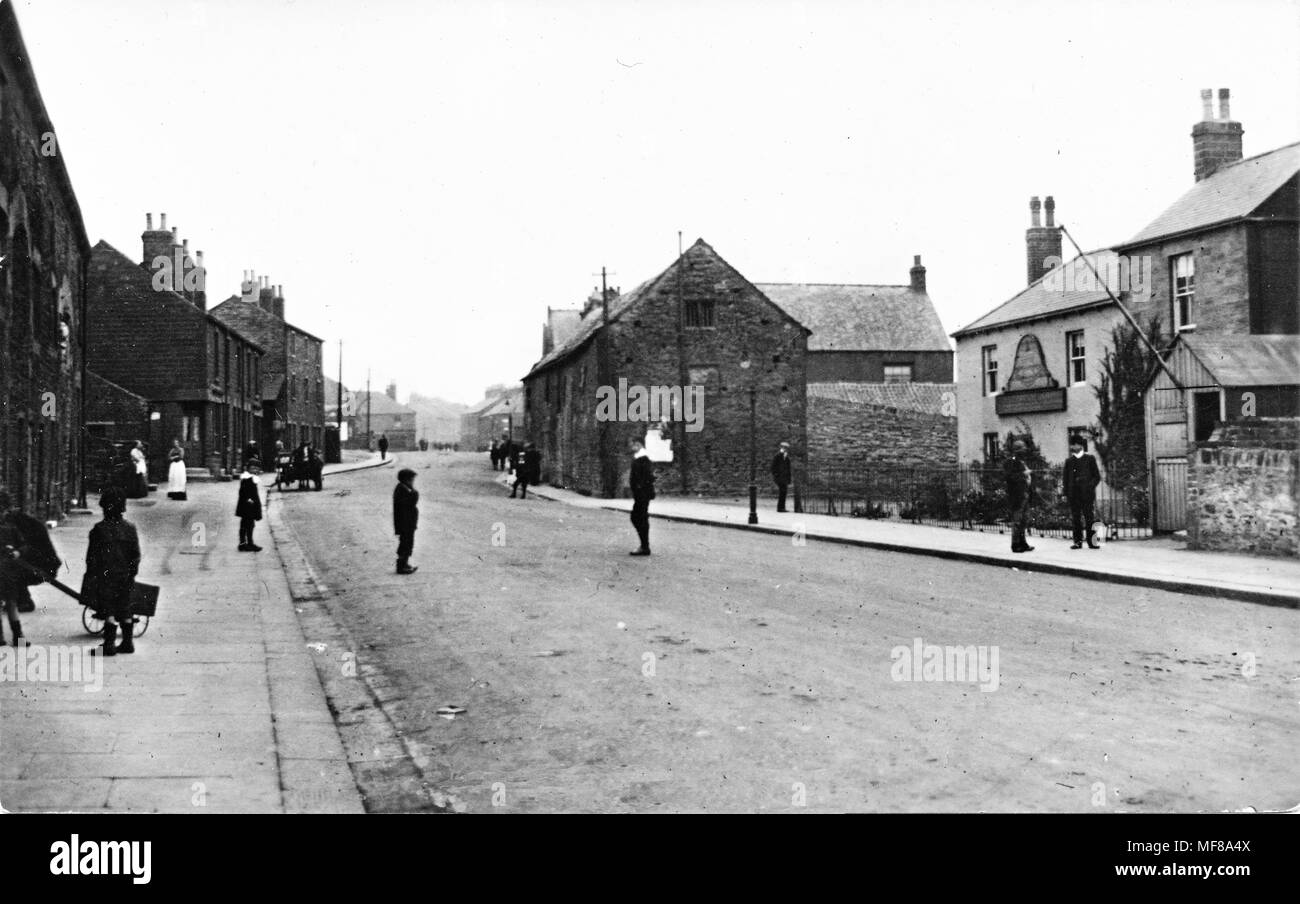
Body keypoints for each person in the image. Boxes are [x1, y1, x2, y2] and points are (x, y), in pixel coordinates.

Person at [84, 487, 142, 656]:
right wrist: (132, 572)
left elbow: (91, 557)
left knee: (108, 608)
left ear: (104, 508)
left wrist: (91, 576)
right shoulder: (130, 529)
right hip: (125, 576)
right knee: (125, 606)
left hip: (105, 576)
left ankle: (109, 644)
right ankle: (127, 642)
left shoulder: (99, 529)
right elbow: (136, 554)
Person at [1063, 435, 1102, 550]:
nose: (1072, 447)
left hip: (1087, 494)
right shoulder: (1069, 461)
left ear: (1080, 445)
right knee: (1076, 519)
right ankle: (1077, 542)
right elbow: (1065, 479)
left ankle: (1092, 542)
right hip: (1074, 495)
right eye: (1072, 444)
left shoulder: (1090, 459)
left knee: (1089, 517)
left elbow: (1097, 477)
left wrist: (1090, 486)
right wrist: (1066, 493)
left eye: (1074, 444)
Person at [1003, 440, 1034, 553]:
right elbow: (1010, 477)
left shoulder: (1021, 462)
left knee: (1024, 520)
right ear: (1016, 450)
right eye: (1021, 449)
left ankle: (1023, 542)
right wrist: (1024, 474)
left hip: (1025, 494)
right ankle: (1015, 544)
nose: (1024, 451)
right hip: (1017, 496)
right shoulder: (1011, 462)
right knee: (1017, 520)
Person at [628, 438, 655, 556]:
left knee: (638, 518)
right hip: (640, 494)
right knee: (639, 518)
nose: (631, 447)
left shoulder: (643, 459)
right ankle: (644, 545)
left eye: (633, 444)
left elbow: (648, 478)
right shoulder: (640, 458)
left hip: (642, 495)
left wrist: (640, 490)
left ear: (638, 444)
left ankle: (645, 547)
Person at [393, 468, 419, 575]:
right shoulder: (402, 490)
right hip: (405, 524)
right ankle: (401, 566)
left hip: (408, 523)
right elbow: (411, 502)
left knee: (408, 543)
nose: (413, 482)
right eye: (412, 480)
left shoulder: (403, 488)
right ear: (406, 480)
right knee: (406, 544)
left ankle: (405, 563)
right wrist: (414, 492)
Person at [236, 458, 264, 552]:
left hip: (250, 506)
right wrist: (249, 499)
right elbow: (243, 492)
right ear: (248, 468)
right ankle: (245, 543)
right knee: (247, 525)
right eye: (252, 468)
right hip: (247, 506)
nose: (254, 470)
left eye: (256, 469)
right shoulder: (246, 478)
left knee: (249, 525)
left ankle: (247, 543)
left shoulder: (252, 478)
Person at [771, 441, 793, 513]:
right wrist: (776, 475)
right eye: (784, 448)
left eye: (786, 448)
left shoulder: (786, 457)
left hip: (785, 478)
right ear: (781, 448)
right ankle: (780, 508)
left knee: (784, 492)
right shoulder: (778, 456)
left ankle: (782, 507)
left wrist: (789, 479)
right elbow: (773, 467)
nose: (785, 449)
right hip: (780, 478)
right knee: (782, 492)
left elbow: (788, 469)